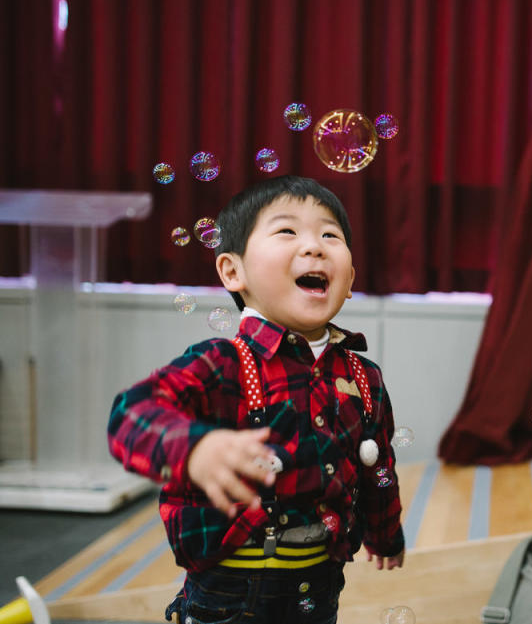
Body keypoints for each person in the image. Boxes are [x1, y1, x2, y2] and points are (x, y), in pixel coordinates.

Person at [108, 175, 404, 623]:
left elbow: (377, 467)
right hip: (227, 597)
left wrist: (385, 533)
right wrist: (194, 448)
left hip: (319, 590)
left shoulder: (364, 377)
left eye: (330, 235)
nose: (315, 246)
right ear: (233, 271)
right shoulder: (222, 363)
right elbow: (131, 414)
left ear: (349, 282)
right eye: (287, 231)